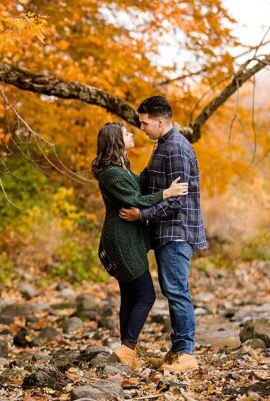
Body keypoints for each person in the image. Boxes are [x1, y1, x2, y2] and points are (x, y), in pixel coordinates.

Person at [119, 95, 206, 372]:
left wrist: (140, 215)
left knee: (177, 291)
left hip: (177, 232)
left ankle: (187, 354)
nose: (142, 128)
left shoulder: (177, 148)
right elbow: (149, 184)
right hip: (166, 233)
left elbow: (176, 201)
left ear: (159, 121)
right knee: (172, 290)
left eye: (144, 123)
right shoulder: (162, 146)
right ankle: (177, 349)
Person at [92, 121, 188, 369]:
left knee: (130, 296)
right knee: (146, 295)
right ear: (116, 140)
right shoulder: (111, 172)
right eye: (126, 133)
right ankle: (128, 348)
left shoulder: (120, 167)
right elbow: (135, 199)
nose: (132, 133)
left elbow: (138, 182)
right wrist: (166, 193)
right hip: (122, 240)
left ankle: (127, 353)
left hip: (127, 237)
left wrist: (155, 156)